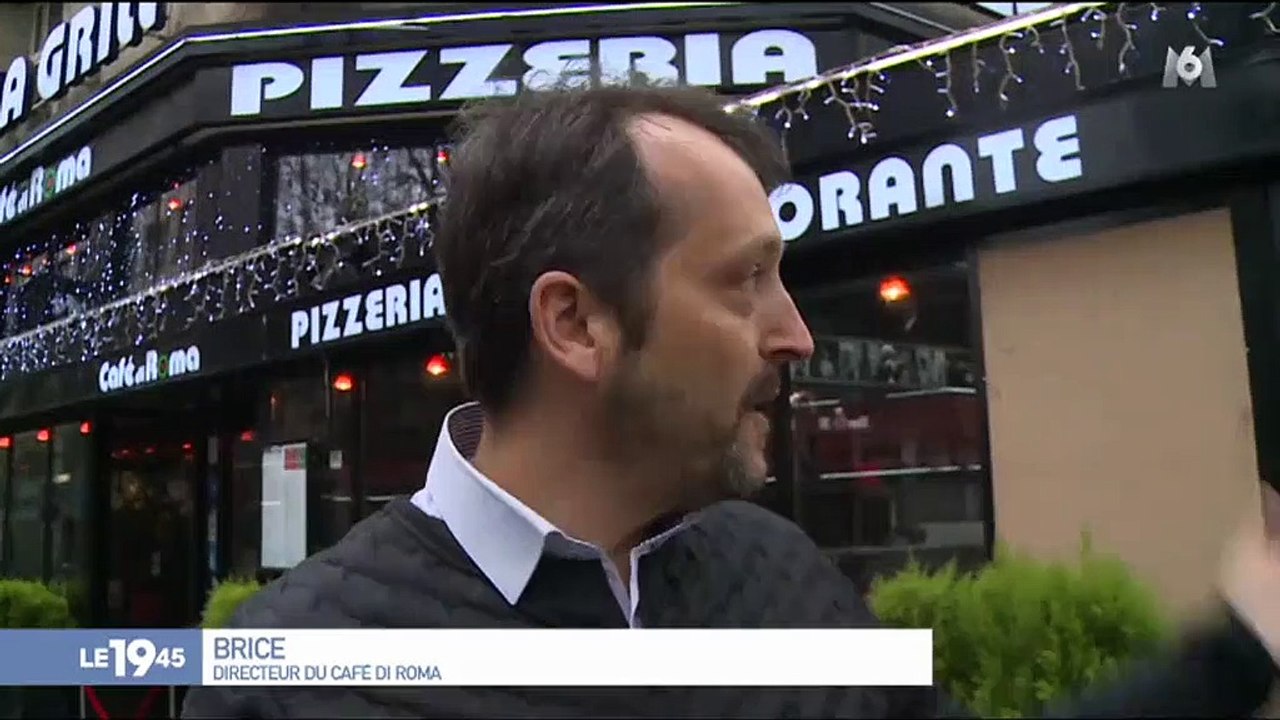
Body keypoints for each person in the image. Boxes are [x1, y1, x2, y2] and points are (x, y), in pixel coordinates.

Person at [182, 79, 1280, 718]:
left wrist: (1237, 646)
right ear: (575, 325)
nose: (794, 332)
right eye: (743, 278)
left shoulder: (781, 575)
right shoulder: (288, 681)